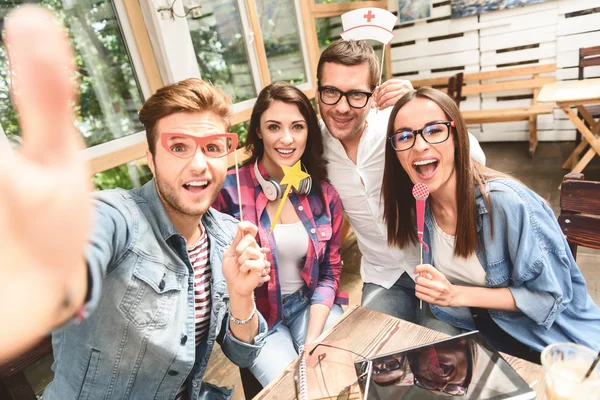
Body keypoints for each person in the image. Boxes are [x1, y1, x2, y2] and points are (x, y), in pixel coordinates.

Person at [0, 6, 271, 399]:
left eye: (212, 147)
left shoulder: (228, 234)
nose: (198, 163)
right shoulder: (118, 216)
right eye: (178, 146)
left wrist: (242, 294)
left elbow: (243, 355)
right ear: (151, 159)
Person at [381, 86, 600, 363]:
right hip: (487, 331)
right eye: (404, 136)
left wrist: (455, 295)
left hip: (552, 342)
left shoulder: (508, 204)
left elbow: (548, 298)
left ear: (458, 137)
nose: (420, 145)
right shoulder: (421, 206)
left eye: (434, 130)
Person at [316, 39, 486, 327]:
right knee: (373, 355)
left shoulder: (398, 128)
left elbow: (477, 161)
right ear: (317, 91)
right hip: (383, 277)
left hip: (438, 271)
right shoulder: (313, 145)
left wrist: (421, 108)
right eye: (331, 91)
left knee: (440, 357)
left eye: (356, 94)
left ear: (373, 95)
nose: (342, 107)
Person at [214, 82, 347, 386]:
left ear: (308, 132)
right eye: (274, 126)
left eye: (297, 127)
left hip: (309, 304)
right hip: (258, 319)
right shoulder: (226, 192)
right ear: (258, 131)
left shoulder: (324, 194)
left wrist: (313, 339)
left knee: (331, 379)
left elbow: (330, 271)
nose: (287, 139)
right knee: (291, 388)